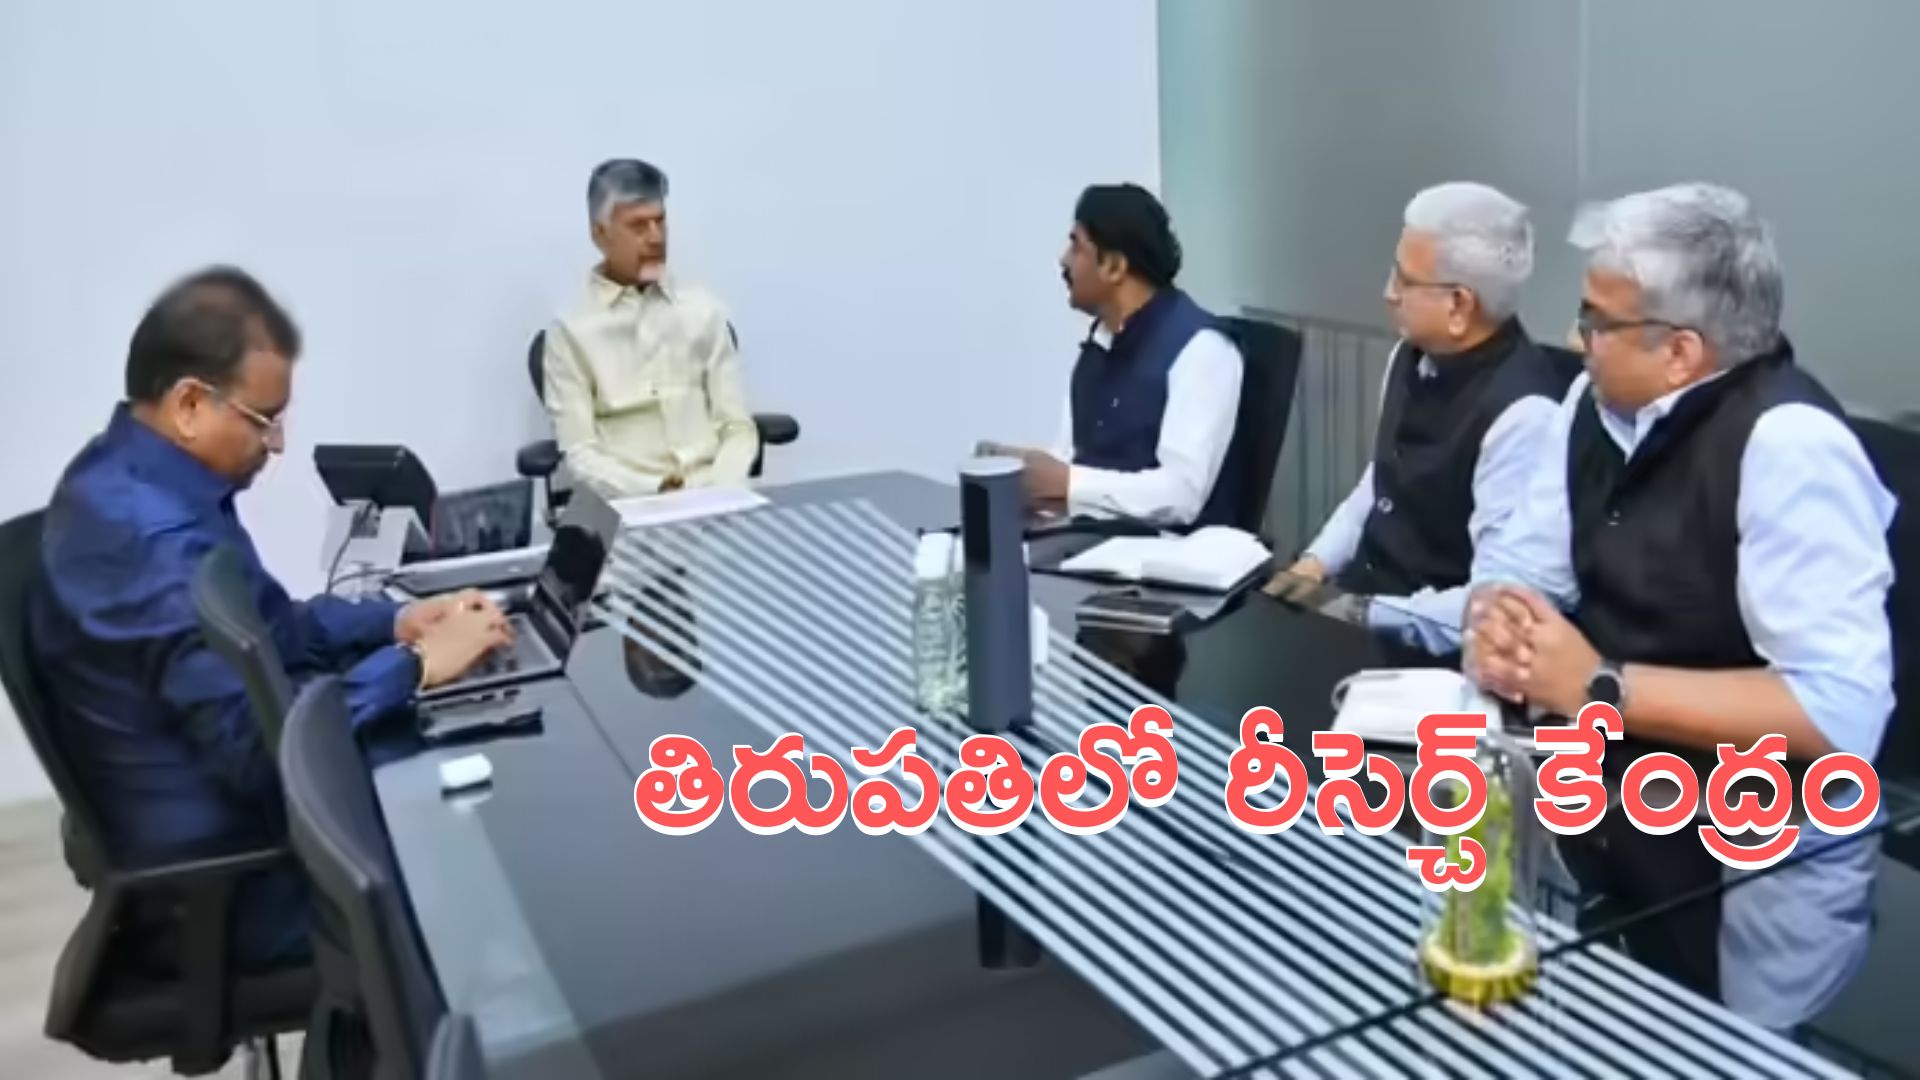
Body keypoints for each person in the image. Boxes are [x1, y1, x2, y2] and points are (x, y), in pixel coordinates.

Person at [1464, 184, 1895, 1029]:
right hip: (1605, 812)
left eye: (1596, 321)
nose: (1574, 340)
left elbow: (1841, 713)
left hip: (1759, 858)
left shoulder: (1790, 446)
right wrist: (1501, 619)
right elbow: (1519, 564)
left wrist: (1599, 686)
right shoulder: (1590, 404)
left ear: (1680, 352)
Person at [32, 267, 513, 973]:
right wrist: (416, 667)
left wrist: (399, 622)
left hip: (223, 819)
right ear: (190, 404)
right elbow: (268, 758)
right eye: (264, 419)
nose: (279, 443)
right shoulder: (156, 547)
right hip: (235, 881)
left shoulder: (140, 478)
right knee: (483, 855)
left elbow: (273, 629)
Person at [1266, 183, 1576, 653]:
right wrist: (1314, 565)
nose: (1388, 294)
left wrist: (1356, 610)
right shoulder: (1409, 354)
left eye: (1404, 280)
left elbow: (1494, 601)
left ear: (1459, 305)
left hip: (1433, 649)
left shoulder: (1525, 415)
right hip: (1363, 606)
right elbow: (1379, 483)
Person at [978, 183, 1243, 527]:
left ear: (1115, 267)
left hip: (1172, 552)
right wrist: (1022, 472)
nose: (1064, 260)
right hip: (1093, 541)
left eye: (1076, 246)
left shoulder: (1203, 349)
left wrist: (1066, 483)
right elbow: (1072, 459)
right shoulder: (1101, 342)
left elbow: (1182, 494)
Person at [542, 158, 759, 499]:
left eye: (660, 222)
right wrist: (656, 491)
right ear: (600, 234)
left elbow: (737, 428)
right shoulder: (570, 331)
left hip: (711, 491)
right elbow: (580, 454)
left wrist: (721, 490)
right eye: (638, 226)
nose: (656, 238)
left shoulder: (703, 312)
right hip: (621, 501)